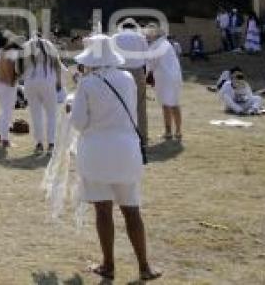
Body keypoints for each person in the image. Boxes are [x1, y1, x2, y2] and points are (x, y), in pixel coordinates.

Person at [69, 34, 161, 282]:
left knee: (103, 210)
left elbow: (78, 122)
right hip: (125, 150)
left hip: (96, 151)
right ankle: (144, 266)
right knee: (132, 209)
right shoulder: (127, 77)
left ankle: (108, 264)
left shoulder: (87, 83)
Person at [20, 34, 62, 154]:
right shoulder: (49, 45)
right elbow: (57, 64)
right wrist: (59, 81)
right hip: (48, 79)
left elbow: (19, 67)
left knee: (35, 114)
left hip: (30, 80)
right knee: (51, 114)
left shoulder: (27, 46)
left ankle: (39, 143)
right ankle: (51, 143)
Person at [112, 18, 150, 150]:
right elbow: (146, 56)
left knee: (119, 104)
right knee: (140, 106)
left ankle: (120, 136)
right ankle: (142, 138)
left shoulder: (115, 37)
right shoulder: (140, 37)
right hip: (137, 71)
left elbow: (112, 56)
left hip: (120, 72)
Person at [145, 25, 183, 141]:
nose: (147, 35)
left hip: (165, 78)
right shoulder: (165, 44)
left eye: (149, 33)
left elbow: (148, 65)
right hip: (174, 77)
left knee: (168, 104)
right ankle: (175, 131)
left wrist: (142, 78)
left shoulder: (156, 46)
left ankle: (170, 132)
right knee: (172, 103)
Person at [0, 32, 21, 148]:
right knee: (7, 113)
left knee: (4, 111)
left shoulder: (1, 53)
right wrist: (13, 82)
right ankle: (5, 139)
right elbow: (9, 70)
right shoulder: (9, 54)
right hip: (6, 85)